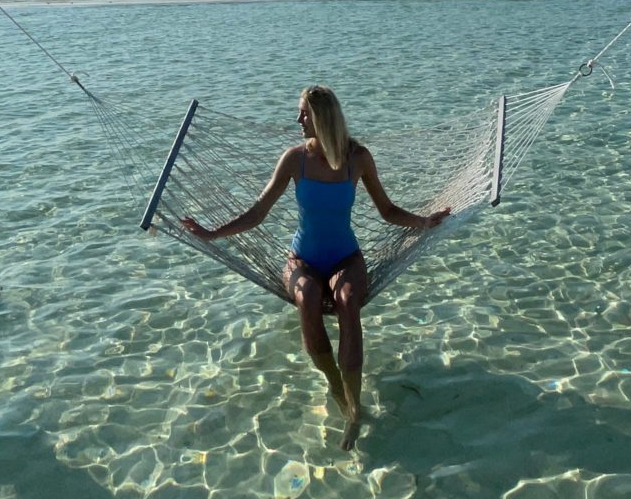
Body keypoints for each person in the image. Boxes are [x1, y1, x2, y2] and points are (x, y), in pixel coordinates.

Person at [181, 84, 449, 448]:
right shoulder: (295, 159)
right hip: (302, 260)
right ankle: (337, 389)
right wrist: (212, 234)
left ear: (322, 117)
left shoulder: (358, 158)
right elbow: (259, 212)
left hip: (345, 258)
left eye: (303, 113)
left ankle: (355, 409)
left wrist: (423, 221)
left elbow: (387, 211)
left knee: (348, 300)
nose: (297, 120)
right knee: (307, 296)